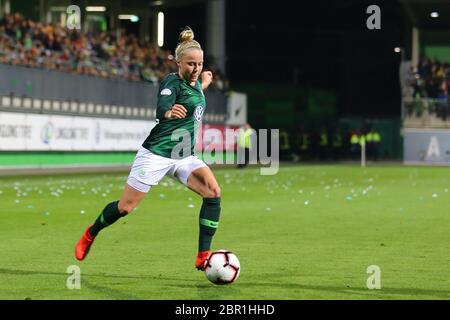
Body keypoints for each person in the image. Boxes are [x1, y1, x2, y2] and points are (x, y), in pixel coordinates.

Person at [74, 27, 220, 271]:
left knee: (213, 192)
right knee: (125, 208)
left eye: (199, 64)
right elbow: (162, 106)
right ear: (178, 62)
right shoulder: (171, 83)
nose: (195, 69)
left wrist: (203, 82)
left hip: (183, 156)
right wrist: (168, 112)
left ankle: (203, 255)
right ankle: (91, 232)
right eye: (191, 64)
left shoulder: (195, 82)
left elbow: (194, 93)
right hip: (156, 155)